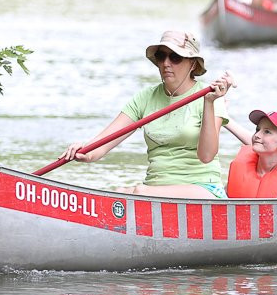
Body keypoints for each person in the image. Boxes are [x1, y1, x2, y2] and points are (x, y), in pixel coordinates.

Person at [62, 31, 234, 198]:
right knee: (120, 193)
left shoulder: (210, 97)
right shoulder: (145, 97)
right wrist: (85, 151)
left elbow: (207, 156)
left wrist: (209, 102)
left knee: (139, 192)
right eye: (161, 56)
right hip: (154, 190)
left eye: (175, 57)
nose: (166, 63)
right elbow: (102, 144)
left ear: (193, 64)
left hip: (203, 189)